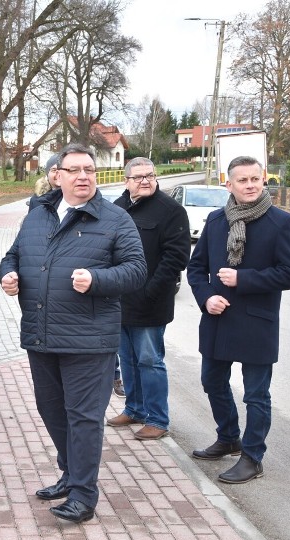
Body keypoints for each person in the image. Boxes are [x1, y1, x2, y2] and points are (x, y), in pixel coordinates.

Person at [0, 143, 146, 524]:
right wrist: (8, 274)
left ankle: (84, 495)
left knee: (83, 417)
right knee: (51, 410)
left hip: (89, 339)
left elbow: (136, 270)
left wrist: (97, 279)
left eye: (90, 170)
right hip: (41, 332)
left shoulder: (115, 219)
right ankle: (70, 474)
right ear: (57, 175)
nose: (84, 176)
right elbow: (13, 254)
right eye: (75, 170)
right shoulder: (38, 215)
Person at [187, 155, 290, 484]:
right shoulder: (215, 220)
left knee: (255, 394)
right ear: (229, 184)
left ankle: (252, 457)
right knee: (212, 382)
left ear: (263, 180)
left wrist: (245, 279)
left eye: (255, 179)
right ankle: (228, 438)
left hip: (257, 321)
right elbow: (196, 269)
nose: (250, 185)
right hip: (218, 319)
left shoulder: (282, 222)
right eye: (243, 180)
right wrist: (206, 296)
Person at [109, 157, 191, 440]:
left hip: (150, 301)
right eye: (139, 177)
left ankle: (157, 419)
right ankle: (134, 409)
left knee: (149, 360)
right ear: (126, 180)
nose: (145, 181)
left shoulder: (171, 211)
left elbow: (176, 258)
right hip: (119, 300)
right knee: (127, 359)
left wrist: (148, 291)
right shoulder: (116, 210)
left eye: (150, 176)